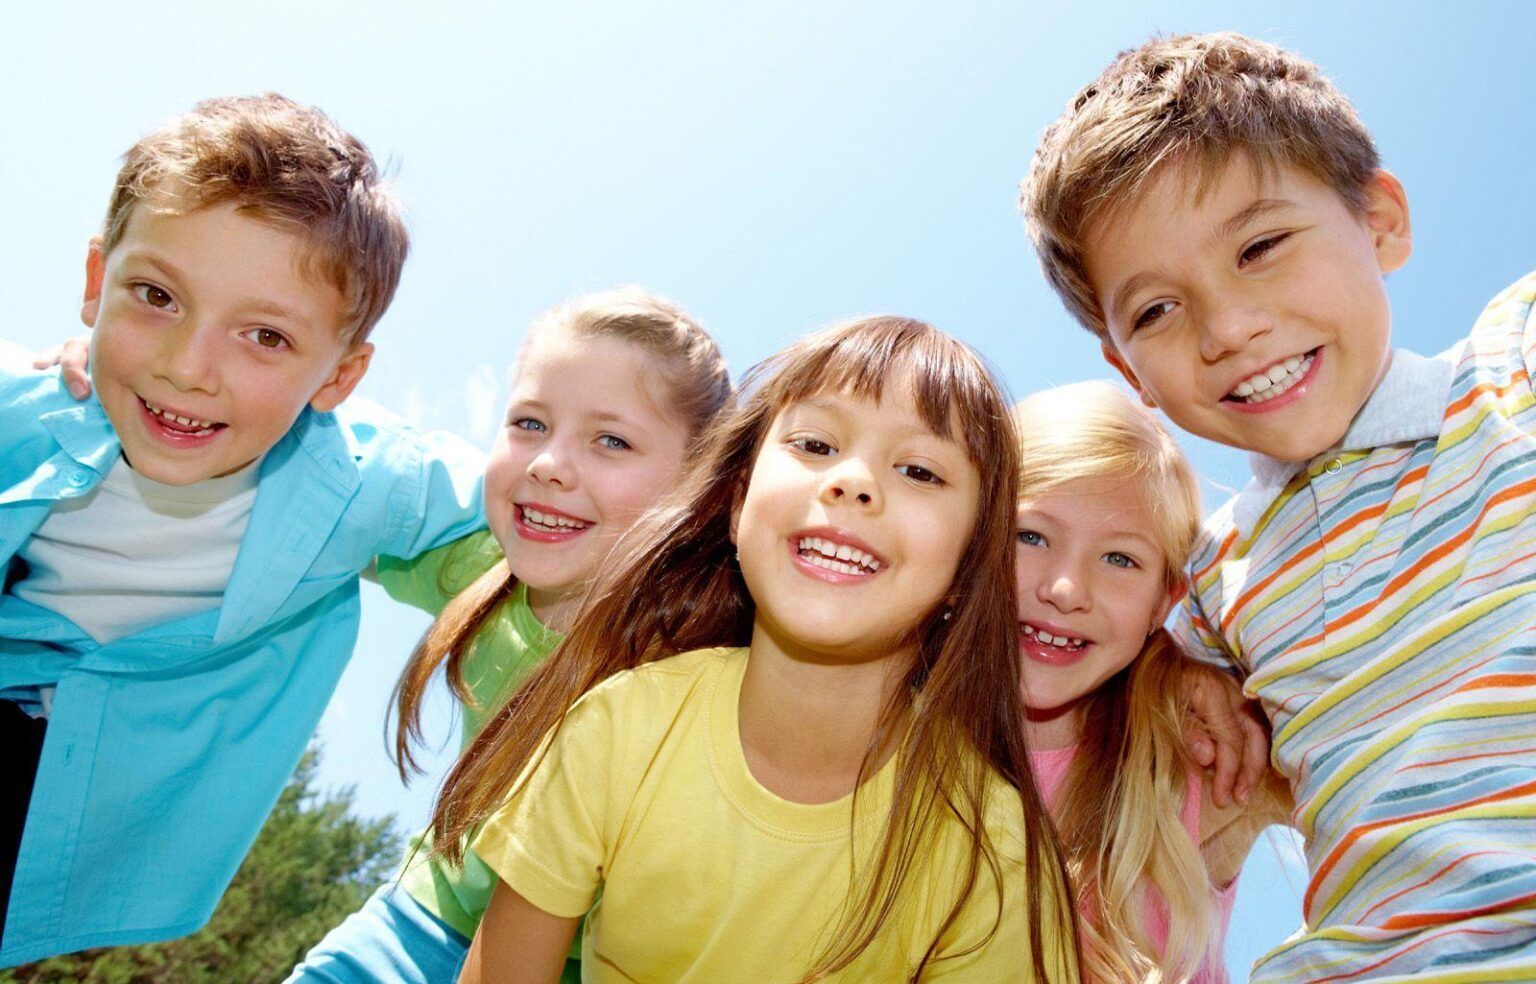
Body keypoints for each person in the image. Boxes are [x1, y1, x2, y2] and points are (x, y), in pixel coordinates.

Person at [1021, 30, 1536, 980]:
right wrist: (1180, 676)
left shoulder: (1515, 366)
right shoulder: (1214, 582)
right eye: (1157, 311)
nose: (1227, 328)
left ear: (1380, 220)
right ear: (1126, 368)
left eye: (1260, 246)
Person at [432, 316, 1078, 982]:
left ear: (968, 570)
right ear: (739, 508)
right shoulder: (620, 727)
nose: (853, 481)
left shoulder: (994, 853)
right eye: (816, 443)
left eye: (918, 469)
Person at [0, 94, 484, 965]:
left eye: (264, 336)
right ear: (94, 284)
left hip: (75, 793)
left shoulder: (360, 482)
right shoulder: (33, 412)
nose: (187, 368)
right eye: (154, 296)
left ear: (339, 375)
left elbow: (524, 505)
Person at [285, 288, 731, 983]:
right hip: (421, 924)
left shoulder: (716, 656)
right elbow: (335, 460)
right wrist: (94, 392)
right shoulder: (480, 565)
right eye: (529, 422)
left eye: (611, 440)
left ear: (698, 485)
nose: (548, 463)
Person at [1013, 381, 1290, 984]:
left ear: (1164, 600)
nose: (1064, 590)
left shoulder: (1201, 762)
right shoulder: (883, 720)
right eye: (1029, 536)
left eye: (1120, 560)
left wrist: (1196, 658)